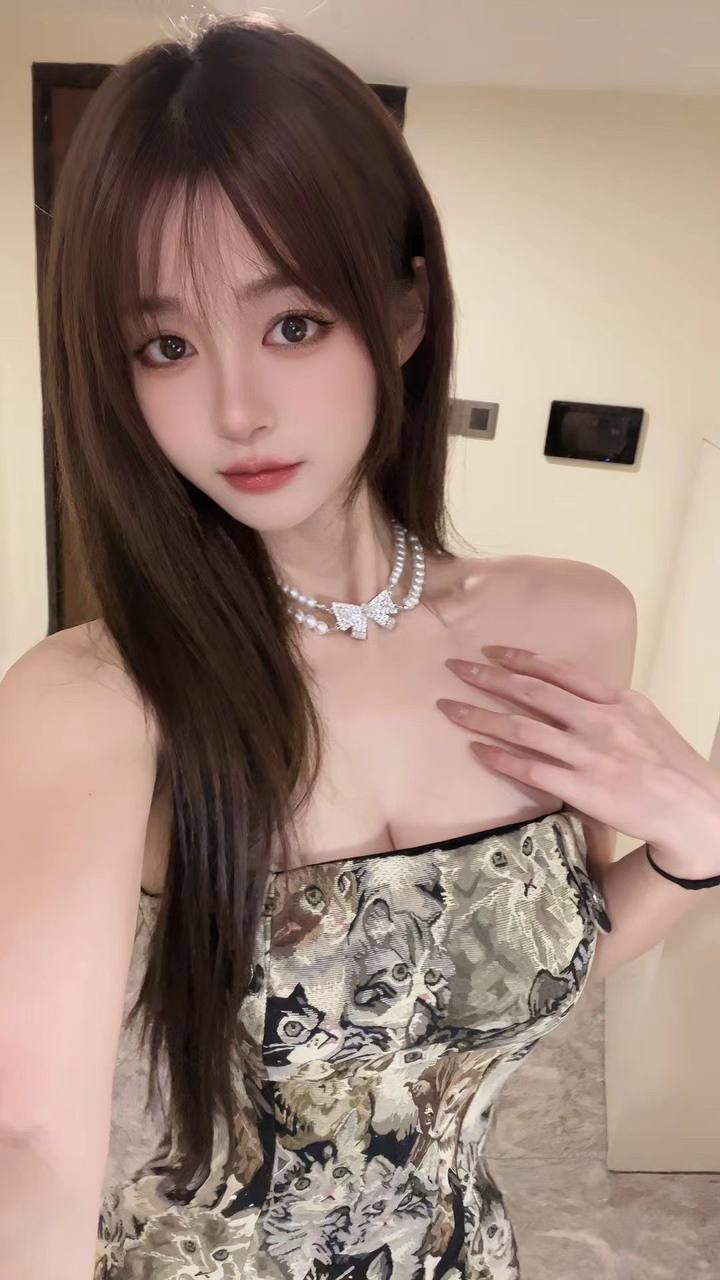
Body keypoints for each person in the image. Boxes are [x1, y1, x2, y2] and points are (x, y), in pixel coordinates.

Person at [0, 13, 647, 1280]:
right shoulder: (95, 698)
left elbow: (546, 955)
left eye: (292, 322)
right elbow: (29, 1139)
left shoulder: (572, 623)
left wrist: (701, 845)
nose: (236, 406)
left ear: (402, 308)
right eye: (167, 345)